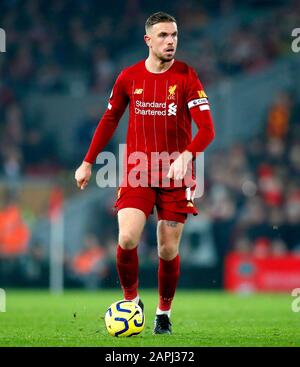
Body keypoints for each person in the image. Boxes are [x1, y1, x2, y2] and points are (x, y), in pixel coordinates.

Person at [75, 12, 215, 334]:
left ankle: (163, 313)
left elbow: (207, 130)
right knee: (127, 237)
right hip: (137, 170)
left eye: (175, 35)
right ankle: (131, 302)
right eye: (164, 35)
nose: (171, 42)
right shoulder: (129, 77)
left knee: (167, 248)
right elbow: (109, 120)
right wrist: (87, 161)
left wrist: (187, 155)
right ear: (148, 40)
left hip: (176, 175)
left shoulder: (187, 76)